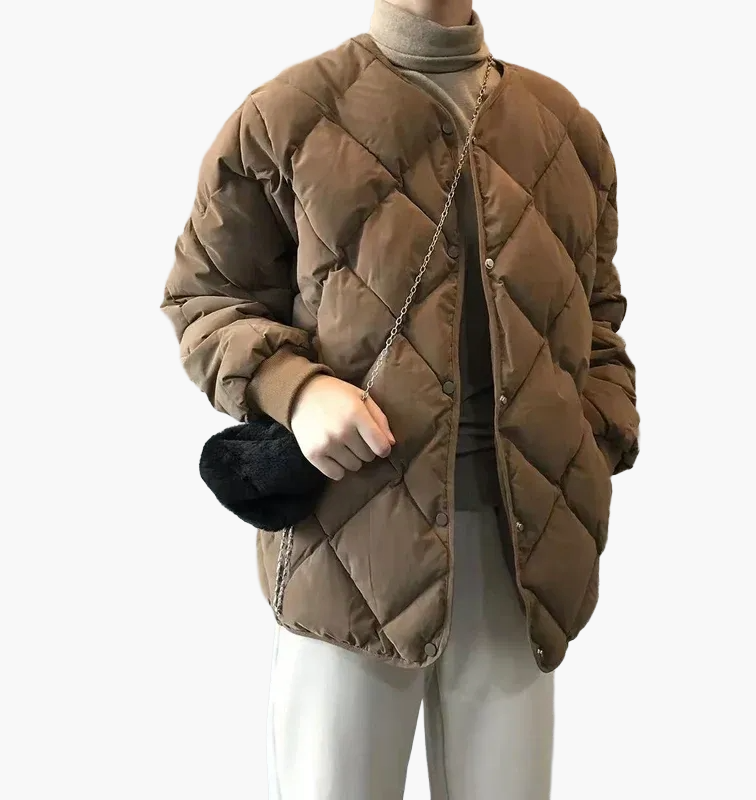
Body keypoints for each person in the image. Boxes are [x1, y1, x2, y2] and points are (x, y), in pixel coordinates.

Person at [159, 0, 640, 796]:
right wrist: (297, 390)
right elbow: (204, 297)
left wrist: (594, 440)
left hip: (524, 550)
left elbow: (597, 319)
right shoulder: (286, 116)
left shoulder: (564, 128)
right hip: (350, 541)